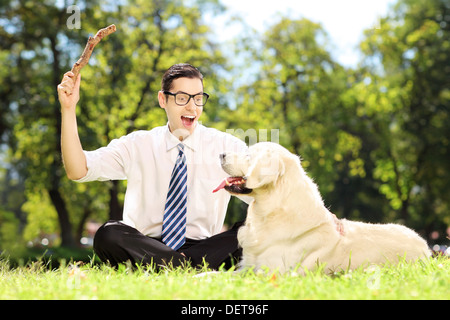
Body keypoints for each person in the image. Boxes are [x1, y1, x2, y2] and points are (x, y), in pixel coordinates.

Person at [57, 63, 250, 270]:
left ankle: (171, 266)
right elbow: (77, 170)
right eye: (182, 98)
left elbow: (266, 190)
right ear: (162, 99)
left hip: (204, 247)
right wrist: (68, 109)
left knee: (252, 230)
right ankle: (187, 268)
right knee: (108, 234)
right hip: (144, 245)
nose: (192, 107)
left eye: (198, 98)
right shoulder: (137, 144)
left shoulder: (228, 147)